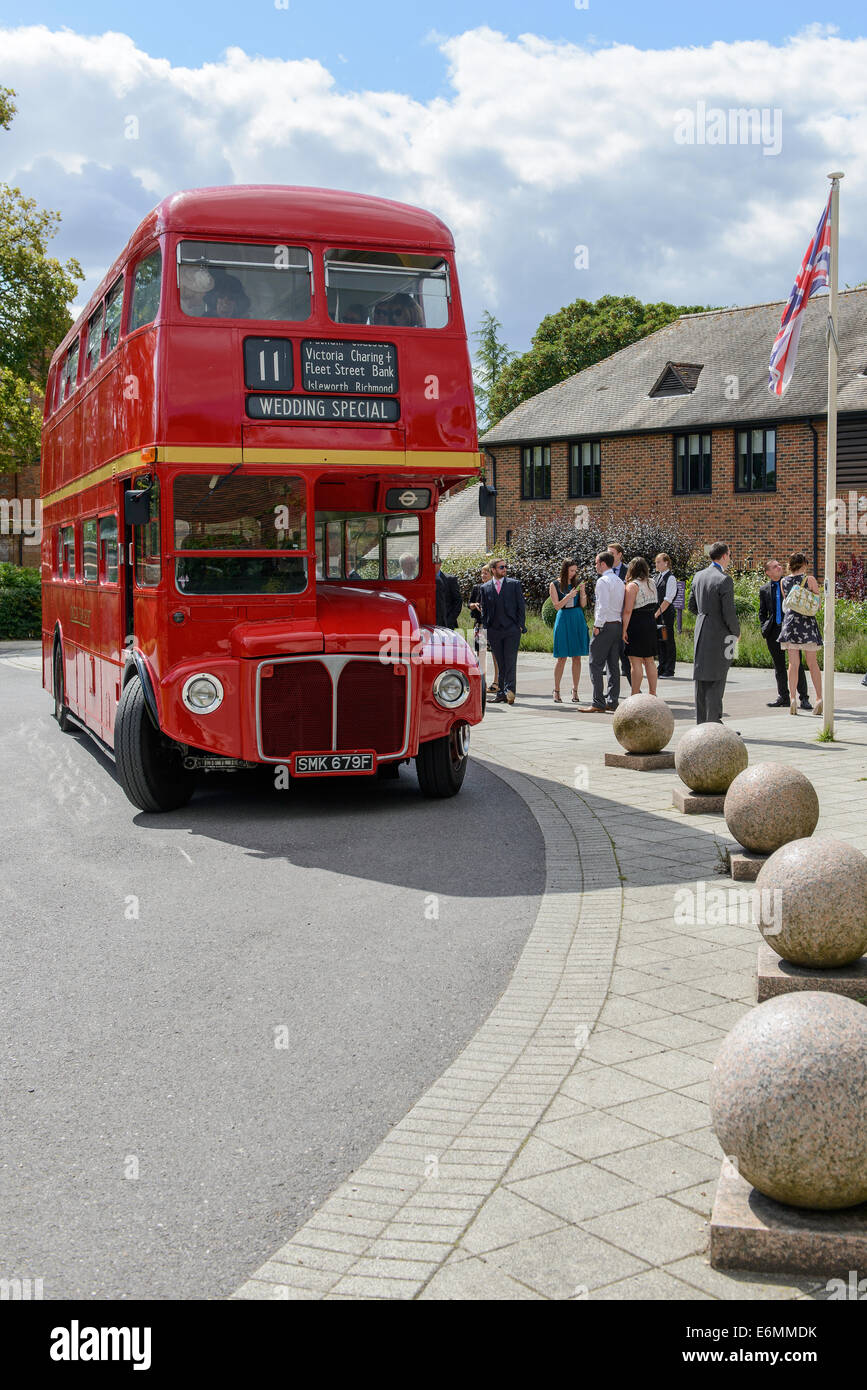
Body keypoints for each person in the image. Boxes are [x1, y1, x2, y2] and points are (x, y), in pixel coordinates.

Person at [688, 542, 740, 724]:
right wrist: (736, 632)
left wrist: (705, 616)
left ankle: (701, 723)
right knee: (718, 678)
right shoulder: (724, 579)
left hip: (701, 631)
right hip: (721, 635)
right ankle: (714, 723)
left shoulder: (698, 576)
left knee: (701, 679)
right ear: (724, 556)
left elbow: (691, 606)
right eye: (729, 555)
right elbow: (729, 612)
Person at [759, 559, 810, 709]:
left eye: (779, 565)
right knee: (779, 665)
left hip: (789, 629)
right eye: (775, 567)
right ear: (768, 572)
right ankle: (783, 697)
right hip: (773, 630)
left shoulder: (788, 584)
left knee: (797, 664)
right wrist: (764, 627)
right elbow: (762, 612)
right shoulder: (764, 589)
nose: (779, 567)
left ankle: (804, 698)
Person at [578, 552, 625, 713]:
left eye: (596, 563)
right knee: (613, 665)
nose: (595, 565)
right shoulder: (619, 581)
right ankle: (612, 700)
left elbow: (602, 606)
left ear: (603, 564)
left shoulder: (603, 581)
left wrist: (597, 625)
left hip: (605, 626)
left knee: (595, 663)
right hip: (616, 625)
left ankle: (598, 701)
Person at [779, 552, 824, 716]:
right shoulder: (810, 580)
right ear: (804, 564)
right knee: (813, 664)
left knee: (793, 664)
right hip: (807, 625)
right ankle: (819, 698)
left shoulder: (783, 581)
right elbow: (817, 605)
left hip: (791, 625)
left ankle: (792, 699)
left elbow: (787, 603)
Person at [480, 559, 526, 704]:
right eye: (501, 567)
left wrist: (519, 625)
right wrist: (486, 628)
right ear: (493, 569)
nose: (504, 569)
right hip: (494, 631)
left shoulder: (514, 584)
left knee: (510, 661)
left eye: (505, 567)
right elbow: (484, 610)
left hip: (512, 630)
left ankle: (510, 692)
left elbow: (521, 607)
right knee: (500, 663)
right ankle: (501, 693)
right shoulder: (485, 587)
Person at [549, 560, 588, 703]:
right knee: (562, 657)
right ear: (564, 570)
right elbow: (557, 606)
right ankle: (556, 690)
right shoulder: (554, 584)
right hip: (563, 618)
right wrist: (568, 596)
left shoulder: (577, 583)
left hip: (577, 618)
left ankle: (575, 690)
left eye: (575, 571)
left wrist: (582, 592)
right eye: (571, 570)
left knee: (577, 657)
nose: (574, 573)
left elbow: (583, 605)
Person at [621, 557, 659, 695]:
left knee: (635, 661)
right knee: (649, 660)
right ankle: (652, 692)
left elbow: (628, 610)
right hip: (650, 621)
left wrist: (624, 629)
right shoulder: (652, 582)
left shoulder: (632, 586)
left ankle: (635, 693)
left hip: (636, 623)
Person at [469, 564, 499, 693]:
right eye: (482, 573)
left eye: (485, 573)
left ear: (492, 574)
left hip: (494, 626)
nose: (483, 576)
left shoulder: (496, 588)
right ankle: (483, 683)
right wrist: (474, 605)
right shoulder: (477, 588)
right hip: (479, 625)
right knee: (480, 655)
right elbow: (468, 604)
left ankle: (497, 682)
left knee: (496, 654)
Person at [607, 541, 631, 681]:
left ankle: (635, 690)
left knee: (625, 654)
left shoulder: (628, 571)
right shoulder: (605, 571)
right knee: (611, 656)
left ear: (619, 555)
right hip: (610, 617)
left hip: (625, 616)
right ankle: (611, 692)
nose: (608, 556)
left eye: (611, 553)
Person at [654, 553, 679, 678]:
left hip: (666, 615)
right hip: (658, 614)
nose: (656, 564)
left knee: (667, 640)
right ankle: (662, 666)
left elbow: (668, 599)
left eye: (659, 562)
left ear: (666, 563)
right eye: (656, 562)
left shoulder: (671, 578)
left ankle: (669, 669)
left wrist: (657, 613)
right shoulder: (657, 577)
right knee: (660, 641)